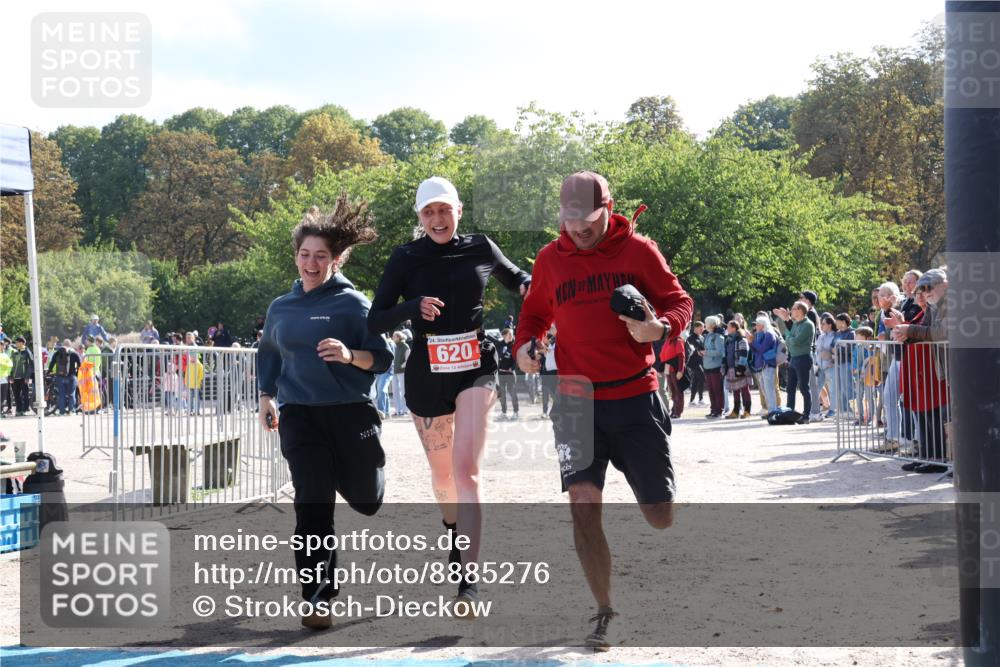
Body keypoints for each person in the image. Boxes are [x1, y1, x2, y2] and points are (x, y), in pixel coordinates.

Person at [514, 171, 693, 651]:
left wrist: (659, 330)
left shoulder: (639, 251)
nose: (578, 228)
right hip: (575, 402)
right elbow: (533, 316)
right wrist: (525, 347)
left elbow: (679, 303)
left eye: (587, 218)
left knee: (660, 515)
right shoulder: (551, 260)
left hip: (635, 395)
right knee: (582, 505)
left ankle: (654, 496)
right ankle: (605, 609)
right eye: (569, 219)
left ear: (607, 208)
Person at [367, 176, 530, 611]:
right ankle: (454, 528)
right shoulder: (406, 257)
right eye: (428, 212)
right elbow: (374, 320)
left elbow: (519, 280)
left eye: (444, 209)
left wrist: (542, 285)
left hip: (476, 366)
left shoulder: (480, 247)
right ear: (420, 218)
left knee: (466, 472)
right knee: (443, 479)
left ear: (458, 210)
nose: (437, 218)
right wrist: (410, 308)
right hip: (426, 373)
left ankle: (468, 585)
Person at [257, 196, 393, 630]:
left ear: (336, 259)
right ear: (295, 257)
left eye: (320, 256)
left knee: (366, 502)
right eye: (304, 255)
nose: (311, 263)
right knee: (312, 504)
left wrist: (350, 354)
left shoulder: (354, 304)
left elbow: (383, 358)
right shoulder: (281, 307)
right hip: (301, 417)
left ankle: (355, 470)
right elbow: (270, 354)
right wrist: (266, 396)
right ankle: (317, 596)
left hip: (351, 415)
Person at [890, 268, 949, 474]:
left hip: (943, 369)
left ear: (945, 284)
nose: (925, 292)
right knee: (924, 414)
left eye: (928, 287)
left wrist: (909, 330)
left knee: (935, 415)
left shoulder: (950, 303)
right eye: (921, 289)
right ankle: (929, 456)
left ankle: (939, 459)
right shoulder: (934, 306)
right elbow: (923, 331)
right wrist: (904, 332)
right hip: (934, 367)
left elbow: (942, 333)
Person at [775, 302, 816, 423]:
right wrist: (790, 338)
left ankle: (806, 415)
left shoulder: (808, 325)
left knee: (804, 388)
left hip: (803, 358)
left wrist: (789, 338)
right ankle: (789, 412)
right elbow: (789, 340)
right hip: (793, 358)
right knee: (790, 388)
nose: (791, 311)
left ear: (800, 310)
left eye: (793, 309)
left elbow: (796, 341)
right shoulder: (796, 324)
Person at [750, 315, 780, 416]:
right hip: (761, 365)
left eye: (757, 324)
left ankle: (773, 411)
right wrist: (751, 342)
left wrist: (752, 341)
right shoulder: (760, 334)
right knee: (764, 390)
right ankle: (770, 410)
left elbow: (762, 349)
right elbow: (756, 350)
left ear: (763, 325)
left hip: (768, 365)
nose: (756, 326)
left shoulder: (769, 334)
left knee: (769, 389)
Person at [723, 320, 752, 418]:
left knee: (744, 390)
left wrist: (740, 368)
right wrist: (724, 366)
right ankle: (735, 411)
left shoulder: (741, 340)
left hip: (740, 368)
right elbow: (726, 355)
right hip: (731, 369)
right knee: (735, 390)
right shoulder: (728, 340)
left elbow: (744, 354)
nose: (727, 329)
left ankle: (747, 411)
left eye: (728, 327)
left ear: (734, 328)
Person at [658, 333, 687, 419]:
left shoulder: (678, 341)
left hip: (675, 369)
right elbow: (663, 355)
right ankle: (674, 409)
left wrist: (680, 371)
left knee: (678, 391)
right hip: (668, 368)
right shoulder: (668, 341)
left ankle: (678, 411)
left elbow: (681, 356)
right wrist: (661, 369)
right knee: (672, 391)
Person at [702, 316, 726, 418]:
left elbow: (720, 352)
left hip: (715, 366)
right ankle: (713, 409)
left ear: (711, 324)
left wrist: (706, 353)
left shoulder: (718, 337)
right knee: (711, 390)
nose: (704, 325)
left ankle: (719, 410)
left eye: (706, 323)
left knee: (717, 390)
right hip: (707, 366)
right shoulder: (707, 336)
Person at [496, 328, 520, 420]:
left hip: (510, 374)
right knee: (502, 394)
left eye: (512, 334)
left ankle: (516, 412)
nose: (511, 336)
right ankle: (503, 412)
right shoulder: (500, 344)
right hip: (501, 373)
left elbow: (516, 359)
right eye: (509, 334)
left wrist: (512, 367)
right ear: (504, 335)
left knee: (513, 393)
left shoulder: (514, 345)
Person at [539, 327, 558, 418]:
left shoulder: (555, 341)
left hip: (554, 372)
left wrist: (547, 350)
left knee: (553, 392)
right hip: (545, 373)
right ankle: (545, 411)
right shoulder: (549, 345)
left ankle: (557, 410)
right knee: (545, 393)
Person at [686, 321, 706, 405]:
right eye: (701, 328)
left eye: (703, 328)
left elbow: (703, 348)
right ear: (696, 328)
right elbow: (689, 349)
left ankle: (692, 400)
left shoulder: (702, 337)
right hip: (693, 362)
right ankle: (701, 399)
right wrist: (698, 352)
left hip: (701, 361)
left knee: (696, 380)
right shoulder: (690, 338)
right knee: (702, 377)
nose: (702, 330)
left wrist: (702, 352)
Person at [390, 331, 410, 417]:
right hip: (394, 372)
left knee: (403, 391)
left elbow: (408, 360)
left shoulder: (405, 346)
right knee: (395, 392)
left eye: (394, 336)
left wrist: (401, 366)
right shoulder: (395, 346)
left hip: (402, 372)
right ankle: (398, 410)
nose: (393, 338)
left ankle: (405, 410)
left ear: (399, 337)